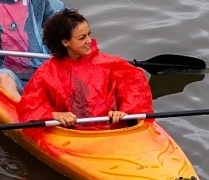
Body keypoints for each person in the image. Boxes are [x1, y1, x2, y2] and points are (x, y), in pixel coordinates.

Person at [17, 8, 152, 128]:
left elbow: (134, 86)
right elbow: (30, 106)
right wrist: (55, 115)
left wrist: (125, 112)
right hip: (71, 134)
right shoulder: (47, 72)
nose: (89, 41)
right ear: (65, 42)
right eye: (82, 38)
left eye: (89, 34)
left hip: (112, 129)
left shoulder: (110, 64)